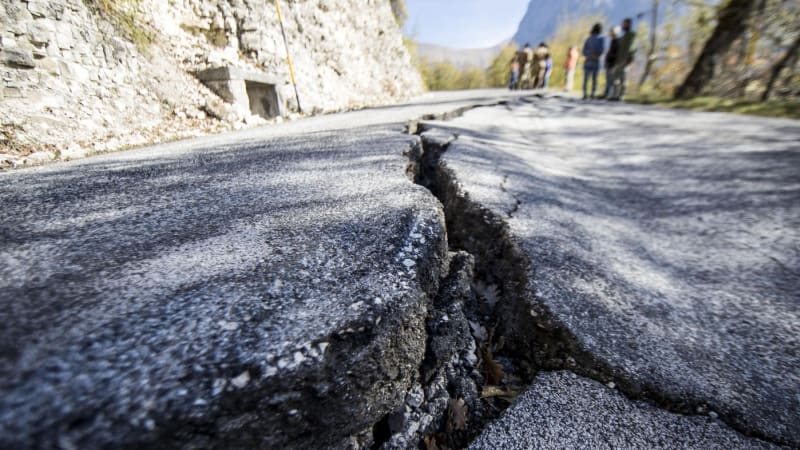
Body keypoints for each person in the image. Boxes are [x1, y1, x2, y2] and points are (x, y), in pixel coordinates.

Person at [609, 18, 637, 101]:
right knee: (616, 79)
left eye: (624, 24)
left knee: (623, 79)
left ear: (628, 24)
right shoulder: (623, 36)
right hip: (618, 60)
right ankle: (615, 95)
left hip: (625, 60)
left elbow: (633, 48)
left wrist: (630, 59)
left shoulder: (632, 35)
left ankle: (621, 95)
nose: (622, 25)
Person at [582, 23, 605, 99]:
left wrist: (588, 54)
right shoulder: (601, 39)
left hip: (588, 60)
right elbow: (602, 50)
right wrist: (596, 55)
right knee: (595, 79)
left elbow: (584, 51)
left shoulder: (588, 39)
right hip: (596, 60)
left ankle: (585, 93)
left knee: (586, 78)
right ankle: (592, 93)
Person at [602, 26, 621, 99]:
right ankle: (607, 94)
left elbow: (616, 53)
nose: (610, 33)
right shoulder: (612, 40)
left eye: (612, 31)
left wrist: (614, 63)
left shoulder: (617, 41)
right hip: (609, 62)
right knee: (608, 79)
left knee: (612, 80)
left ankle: (612, 94)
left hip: (613, 63)